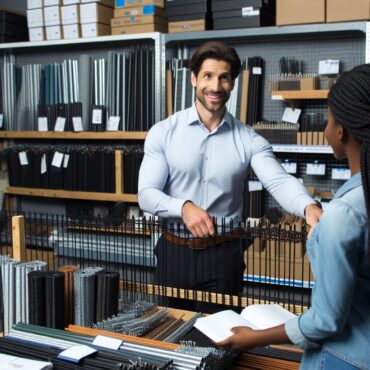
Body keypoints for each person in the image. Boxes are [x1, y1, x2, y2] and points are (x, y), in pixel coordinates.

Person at [138, 41, 322, 299]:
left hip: (224, 257)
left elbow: (279, 181)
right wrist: (183, 208)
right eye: (208, 76)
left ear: (233, 83)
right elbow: (146, 194)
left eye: (224, 78)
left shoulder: (249, 139)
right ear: (193, 78)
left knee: (224, 337)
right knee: (169, 333)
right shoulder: (163, 132)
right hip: (174, 254)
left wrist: (308, 206)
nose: (215, 86)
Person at [218, 64, 370, 370]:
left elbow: (325, 322)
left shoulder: (344, 215)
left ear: (340, 130)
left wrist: (251, 338)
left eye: (328, 120)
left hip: (341, 360)